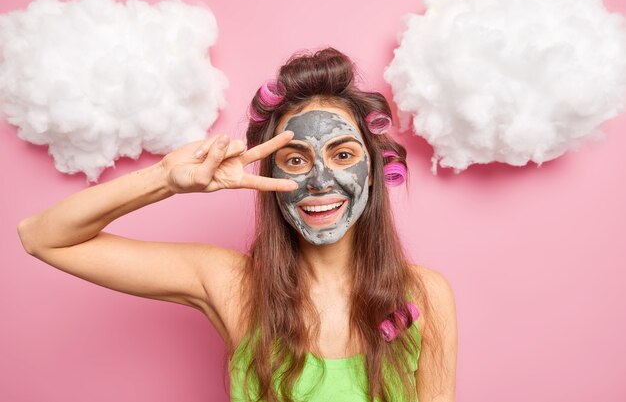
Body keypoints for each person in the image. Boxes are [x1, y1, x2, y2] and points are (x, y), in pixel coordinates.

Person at [17, 47, 457, 402]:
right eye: (295, 160)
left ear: (374, 170)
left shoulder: (424, 296)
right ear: (269, 175)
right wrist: (165, 179)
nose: (320, 181)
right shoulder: (234, 286)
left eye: (343, 155)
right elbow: (42, 238)